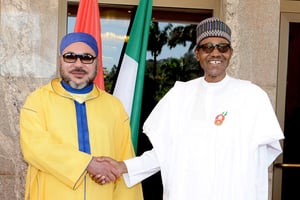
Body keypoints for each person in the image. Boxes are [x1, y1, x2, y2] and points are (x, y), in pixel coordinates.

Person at [97, 17, 285, 200]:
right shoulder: (179, 96)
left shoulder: (252, 96)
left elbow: (262, 159)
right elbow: (163, 154)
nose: (215, 53)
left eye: (222, 46)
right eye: (207, 47)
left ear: (230, 53)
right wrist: (122, 167)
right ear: (197, 54)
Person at [19, 32, 143, 200]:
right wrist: (88, 164)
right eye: (70, 57)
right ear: (60, 60)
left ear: (97, 63)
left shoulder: (114, 107)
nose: (78, 64)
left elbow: (124, 161)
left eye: (87, 58)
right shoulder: (37, 101)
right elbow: (35, 148)